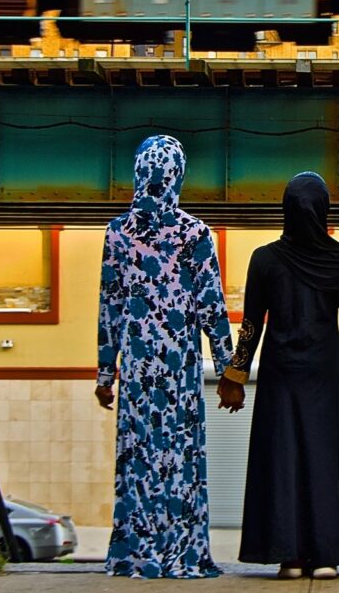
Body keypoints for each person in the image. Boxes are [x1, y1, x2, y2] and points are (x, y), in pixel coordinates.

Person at [216, 171, 339, 579]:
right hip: (325, 377)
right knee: (323, 459)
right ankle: (327, 556)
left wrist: (235, 376)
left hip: (281, 376)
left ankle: (290, 557)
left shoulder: (265, 259)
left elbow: (251, 327)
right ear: (324, 210)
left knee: (283, 461)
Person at [95, 135, 238, 579]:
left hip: (138, 365)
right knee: (179, 454)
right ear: (177, 174)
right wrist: (227, 366)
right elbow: (211, 305)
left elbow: (110, 304)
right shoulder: (195, 233)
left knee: (139, 456)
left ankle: (137, 552)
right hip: (179, 364)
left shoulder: (117, 232)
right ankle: (183, 551)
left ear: (139, 173)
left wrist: (106, 372)